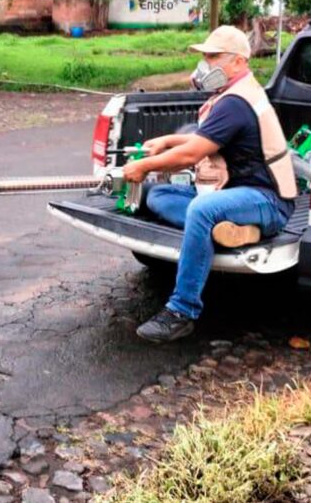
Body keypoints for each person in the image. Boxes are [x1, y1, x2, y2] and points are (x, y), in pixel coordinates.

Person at [121, 25, 297, 343]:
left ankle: (181, 311)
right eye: (204, 57)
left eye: (213, 57)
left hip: (267, 199)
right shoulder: (231, 94)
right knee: (157, 194)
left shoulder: (237, 102)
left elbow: (192, 153)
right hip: (234, 193)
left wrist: (144, 166)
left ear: (238, 62)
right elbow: (206, 136)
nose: (205, 65)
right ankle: (225, 230)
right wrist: (166, 141)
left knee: (201, 209)